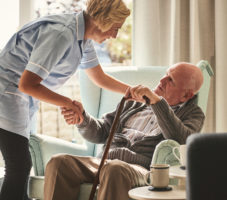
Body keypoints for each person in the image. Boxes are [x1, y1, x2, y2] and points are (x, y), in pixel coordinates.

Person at [0, 0, 131, 199]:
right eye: (115, 28)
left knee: (19, 166)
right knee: (19, 166)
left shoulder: (83, 37)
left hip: (16, 100)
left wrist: (132, 91)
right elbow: (27, 84)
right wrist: (67, 103)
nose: (114, 35)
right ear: (103, 21)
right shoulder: (62, 34)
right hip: (5, 95)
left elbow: (99, 77)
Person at [44, 62, 206, 200]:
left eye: (170, 80)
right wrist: (83, 119)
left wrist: (158, 102)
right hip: (104, 162)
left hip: (141, 170)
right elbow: (102, 131)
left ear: (186, 95)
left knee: (115, 169)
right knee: (60, 162)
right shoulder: (134, 104)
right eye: (165, 74)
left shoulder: (193, 114)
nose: (162, 80)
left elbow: (180, 140)